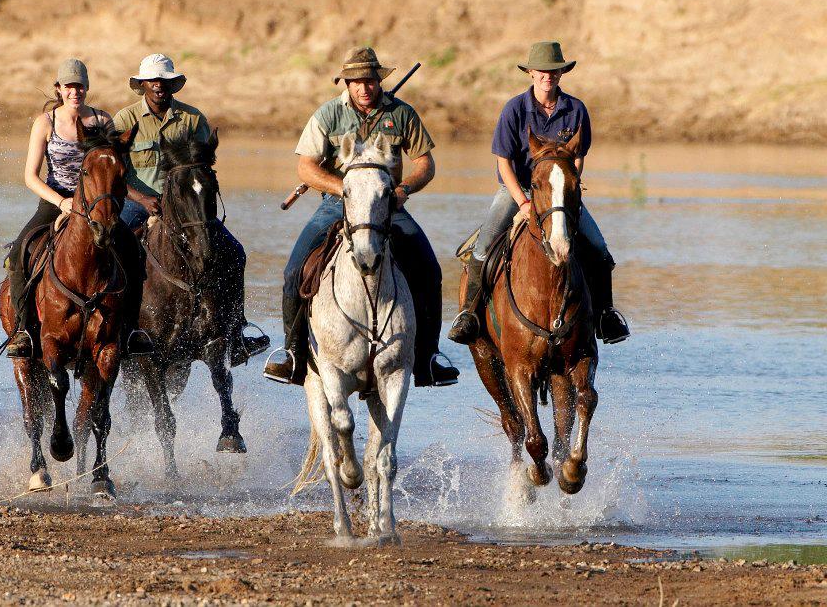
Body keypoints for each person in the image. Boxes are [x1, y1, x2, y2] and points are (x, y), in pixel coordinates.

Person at [263, 46, 459, 387]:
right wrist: (344, 190)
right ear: (346, 83)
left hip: (388, 206)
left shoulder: (401, 114)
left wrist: (403, 191)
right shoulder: (327, 115)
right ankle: (291, 353)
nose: (363, 88)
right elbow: (305, 167)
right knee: (295, 269)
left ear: (378, 81)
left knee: (429, 269)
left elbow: (425, 164)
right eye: (356, 82)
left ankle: (428, 356)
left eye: (369, 80)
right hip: (336, 204)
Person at [447, 41, 630, 345]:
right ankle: (469, 314)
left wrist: (568, 188)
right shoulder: (514, 109)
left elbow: (578, 156)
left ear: (561, 73)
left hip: (559, 194)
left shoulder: (576, 109)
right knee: (482, 248)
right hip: (516, 189)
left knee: (598, 249)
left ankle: (604, 315)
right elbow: (503, 161)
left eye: (554, 71)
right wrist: (522, 201)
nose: (548, 76)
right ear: (531, 72)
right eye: (543, 71)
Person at [113, 53, 269, 363]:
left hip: (186, 208)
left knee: (234, 252)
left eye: (165, 80)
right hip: (138, 203)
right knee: (114, 251)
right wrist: (142, 199)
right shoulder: (124, 121)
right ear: (142, 84)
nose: (159, 85)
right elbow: (114, 172)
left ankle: (236, 332)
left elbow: (205, 167)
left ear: (173, 85)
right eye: (153, 80)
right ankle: (117, 329)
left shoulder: (193, 120)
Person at [6, 58, 152, 358]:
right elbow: (30, 176)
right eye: (69, 86)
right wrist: (62, 202)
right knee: (19, 251)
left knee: (135, 251)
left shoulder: (101, 121)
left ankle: (133, 329)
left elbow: (117, 171)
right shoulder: (45, 123)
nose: (76, 91)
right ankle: (23, 331)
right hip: (55, 200)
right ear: (59, 88)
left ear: (87, 88)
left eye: (80, 86)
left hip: (98, 204)